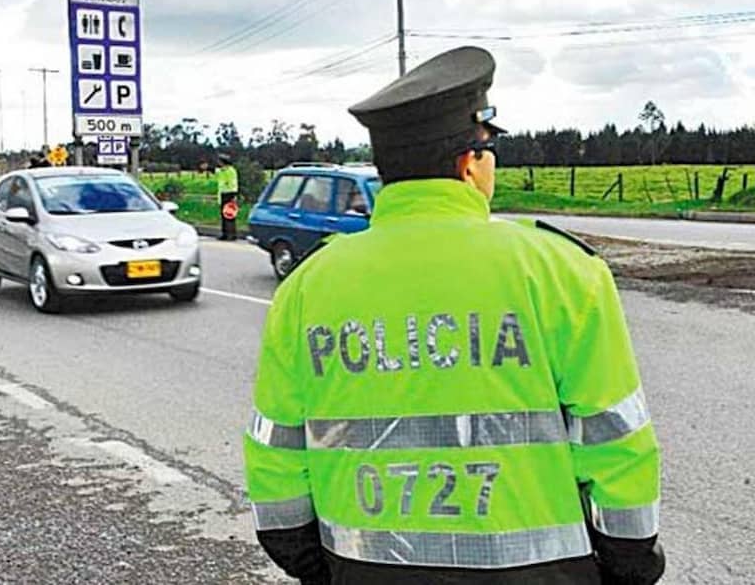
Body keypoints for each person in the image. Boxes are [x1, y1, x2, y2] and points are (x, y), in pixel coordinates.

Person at [243, 46, 664, 585]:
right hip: (540, 571)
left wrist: (315, 566)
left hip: (364, 566)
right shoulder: (562, 270)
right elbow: (615, 441)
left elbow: (276, 451)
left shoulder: (308, 285)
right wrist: (629, 564)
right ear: (470, 162)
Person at [216, 153, 239, 240]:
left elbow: (233, 184)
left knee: (229, 215)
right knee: (223, 215)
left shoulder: (230, 171)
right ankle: (225, 233)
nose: (218, 163)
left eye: (220, 161)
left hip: (229, 194)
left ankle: (231, 234)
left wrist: (234, 196)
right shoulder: (222, 171)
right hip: (223, 194)